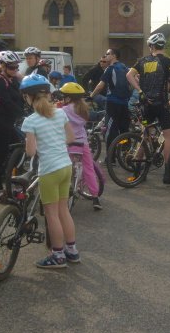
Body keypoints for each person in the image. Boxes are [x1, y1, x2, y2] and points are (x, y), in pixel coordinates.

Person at [20, 73, 79, 269]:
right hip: (65, 166)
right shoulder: (60, 113)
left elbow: (30, 152)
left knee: (51, 214)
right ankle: (72, 251)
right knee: (64, 211)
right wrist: (55, 143)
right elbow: (70, 137)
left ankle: (58, 255)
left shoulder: (30, 121)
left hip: (49, 170)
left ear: (28, 97)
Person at [126, 33, 170, 184]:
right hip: (161, 104)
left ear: (151, 46)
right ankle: (168, 173)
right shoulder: (167, 61)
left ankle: (137, 170)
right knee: (169, 136)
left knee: (145, 135)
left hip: (145, 104)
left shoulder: (142, 61)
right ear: (162, 46)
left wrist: (140, 90)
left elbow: (129, 75)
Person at [0, 51, 24, 203]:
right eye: (11, 67)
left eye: (16, 67)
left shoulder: (13, 80)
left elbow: (21, 99)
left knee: (20, 150)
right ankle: (0, 191)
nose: (14, 69)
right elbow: (7, 102)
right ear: (2, 66)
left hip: (9, 123)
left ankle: (13, 182)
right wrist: (23, 114)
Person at [60, 82, 102, 210]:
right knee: (89, 169)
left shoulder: (64, 110)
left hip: (68, 142)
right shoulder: (84, 109)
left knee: (66, 169)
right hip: (82, 143)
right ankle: (95, 198)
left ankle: (65, 194)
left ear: (68, 97)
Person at [90, 48, 131, 159]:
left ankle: (110, 158)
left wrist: (91, 96)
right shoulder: (125, 67)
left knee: (111, 130)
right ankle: (126, 155)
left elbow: (100, 85)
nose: (105, 56)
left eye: (107, 54)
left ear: (113, 56)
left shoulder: (110, 68)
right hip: (124, 103)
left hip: (113, 103)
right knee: (124, 130)